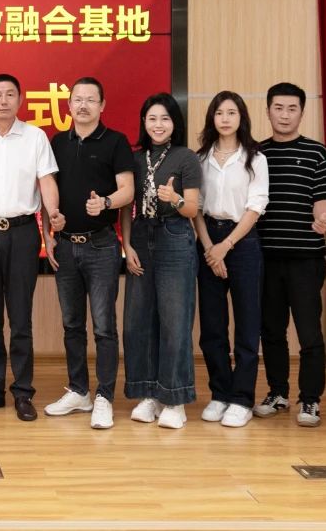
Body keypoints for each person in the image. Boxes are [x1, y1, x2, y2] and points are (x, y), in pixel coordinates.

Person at [0, 73, 63, 422]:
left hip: (22, 234)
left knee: (21, 318)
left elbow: (46, 182)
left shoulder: (36, 137)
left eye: (10, 95)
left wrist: (52, 220)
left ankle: (22, 391)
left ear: (20, 100)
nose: (3, 101)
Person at [41, 77, 134, 430]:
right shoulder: (57, 143)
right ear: (68, 105)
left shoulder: (116, 141)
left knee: (104, 326)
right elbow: (46, 189)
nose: (83, 105)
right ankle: (79, 390)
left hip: (101, 245)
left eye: (90, 100)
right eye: (77, 99)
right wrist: (48, 233)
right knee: (71, 324)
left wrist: (106, 202)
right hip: (66, 245)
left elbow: (128, 190)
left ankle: (104, 396)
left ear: (102, 105)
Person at [254, 82, 326, 428]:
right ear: (268, 111)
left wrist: (322, 220)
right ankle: (278, 393)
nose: (285, 115)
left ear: (302, 112)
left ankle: (310, 399)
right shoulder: (256, 154)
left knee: (308, 332)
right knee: (271, 331)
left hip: (306, 258)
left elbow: (323, 201)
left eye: (292, 109)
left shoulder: (318, 153)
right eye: (278, 108)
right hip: (265, 258)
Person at [121, 92, 202, 430]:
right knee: (138, 320)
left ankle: (174, 398)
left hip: (174, 236)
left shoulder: (186, 157)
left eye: (165, 119)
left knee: (174, 321)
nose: (158, 125)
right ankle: (148, 394)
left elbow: (193, 209)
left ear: (174, 123)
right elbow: (127, 206)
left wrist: (176, 198)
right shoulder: (135, 158)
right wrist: (127, 245)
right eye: (152, 118)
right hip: (141, 236)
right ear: (144, 122)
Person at [193, 91, 269, 428]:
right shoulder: (200, 158)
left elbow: (256, 206)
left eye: (231, 112)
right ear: (212, 117)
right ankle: (220, 393)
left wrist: (226, 246)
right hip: (208, 239)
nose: (225, 119)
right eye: (219, 113)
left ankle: (242, 399)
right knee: (212, 326)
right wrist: (211, 248)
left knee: (247, 325)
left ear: (242, 118)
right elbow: (196, 208)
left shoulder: (255, 158)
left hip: (243, 241)